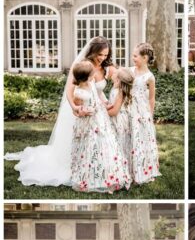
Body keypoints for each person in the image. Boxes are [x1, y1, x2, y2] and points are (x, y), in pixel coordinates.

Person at [5, 37, 115, 188]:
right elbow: (70, 90)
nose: (102, 58)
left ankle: (94, 165)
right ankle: (73, 167)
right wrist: (75, 108)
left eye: (105, 55)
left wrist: (106, 102)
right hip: (78, 109)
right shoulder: (82, 66)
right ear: (92, 52)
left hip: (96, 111)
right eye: (100, 54)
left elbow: (99, 91)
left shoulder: (105, 68)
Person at [69, 61, 130, 193]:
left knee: (106, 144)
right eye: (92, 73)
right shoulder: (78, 93)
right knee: (90, 147)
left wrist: (104, 104)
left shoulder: (91, 84)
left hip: (100, 119)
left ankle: (109, 175)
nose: (94, 74)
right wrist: (83, 111)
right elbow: (79, 109)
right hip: (88, 122)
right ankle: (90, 177)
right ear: (87, 77)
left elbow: (97, 97)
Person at [129, 43, 160, 184]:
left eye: (135, 56)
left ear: (145, 58)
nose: (133, 58)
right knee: (128, 135)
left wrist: (150, 115)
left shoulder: (149, 77)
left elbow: (151, 98)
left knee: (141, 138)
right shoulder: (130, 71)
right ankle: (129, 168)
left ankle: (142, 170)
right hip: (128, 107)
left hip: (141, 110)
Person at [107, 67, 135, 172]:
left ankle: (120, 170)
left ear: (118, 79)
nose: (113, 74)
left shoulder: (119, 92)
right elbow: (112, 106)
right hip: (117, 119)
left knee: (119, 143)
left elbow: (114, 111)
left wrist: (101, 112)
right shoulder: (116, 89)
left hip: (118, 121)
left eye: (115, 73)